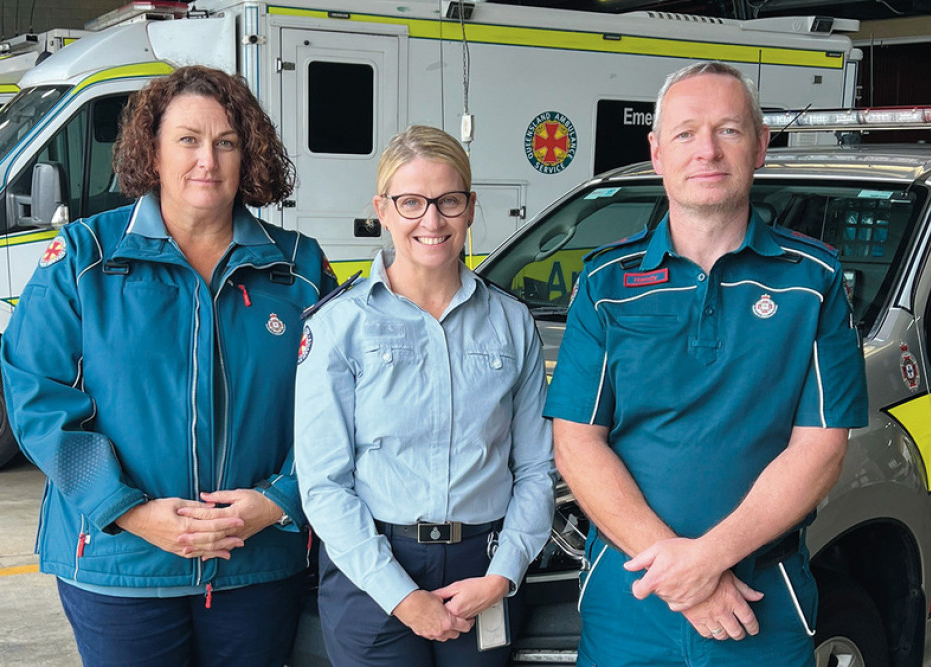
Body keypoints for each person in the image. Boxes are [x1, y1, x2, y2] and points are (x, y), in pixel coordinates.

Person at [0, 65, 337, 667]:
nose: (207, 159)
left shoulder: (299, 269)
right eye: (187, 139)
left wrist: (281, 500)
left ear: (248, 155)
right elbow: (37, 396)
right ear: (151, 150)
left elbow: (339, 407)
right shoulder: (85, 259)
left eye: (226, 142)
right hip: (118, 565)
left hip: (254, 562)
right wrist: (127, 510)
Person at [544, 61, 868, 666]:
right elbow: (576, 445)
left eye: (730, 130)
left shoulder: (814, 282)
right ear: (657, 151)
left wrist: (707, 561)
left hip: (761, 597)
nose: (708, 151)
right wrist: (680, 574)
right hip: (631, 592)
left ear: (761, 146)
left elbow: (820, 449)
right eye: (686, 132)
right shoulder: (605, 283)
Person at [294, 125, 555, 666]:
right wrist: (402, 597)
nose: (431, 221)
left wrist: (503, 574)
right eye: (411, 203)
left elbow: (535, 468)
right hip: (372, 569)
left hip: (483, 565)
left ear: (471, 207)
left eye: (448, 201)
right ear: (382, 209)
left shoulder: (511, 322)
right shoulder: (341, 324)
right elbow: (323, 483)